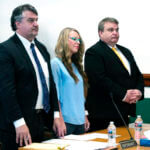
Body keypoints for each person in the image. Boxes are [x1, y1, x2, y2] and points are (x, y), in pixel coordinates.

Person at [0, 4, 64, 150]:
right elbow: (6, 91)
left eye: (36, 20)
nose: (36, 24)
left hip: (40, 120)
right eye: (31, 20)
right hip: (17, 126)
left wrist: (56, 115)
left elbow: (50, 84)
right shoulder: (5, 49)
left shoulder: (41, 49)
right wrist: (19, 122)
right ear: (17, 24)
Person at [84, 17, 144, 131]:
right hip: (103, 114)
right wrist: (124, 94)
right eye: (111, 30)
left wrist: (139, 91)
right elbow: (100, 79)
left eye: (117, 30)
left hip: (124, 112)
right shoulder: (93, 52)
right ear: (100, 33)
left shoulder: (126, 51)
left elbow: (138, 76)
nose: (115, 33)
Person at [51, 27, 90, 135]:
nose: (78, 42)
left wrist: (84, 115)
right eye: (74, 39)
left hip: (80, 121)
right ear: (64, 40)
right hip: (66, 122)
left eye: (79, 40)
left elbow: (80, 95)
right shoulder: (56, 63)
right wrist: (59, 119)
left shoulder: (76, 65)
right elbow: (55, 96)